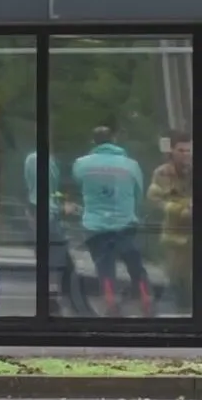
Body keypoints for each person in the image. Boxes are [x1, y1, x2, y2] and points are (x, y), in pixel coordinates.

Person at [73, 126, 151, 316]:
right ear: (114, 139)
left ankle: (109, 298)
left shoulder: (81, 164)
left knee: (104, 265)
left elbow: (79, 187)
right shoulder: (131, 165)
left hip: (95, 224)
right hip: (125, 222)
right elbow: (139, 193)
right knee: (134, 263)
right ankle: (144, 296)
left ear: (94, 141)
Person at [148, 132, 192, 314]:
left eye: (189, 150)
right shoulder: (162, 173)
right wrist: (180, 209)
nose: (186, 154)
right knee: (177, 278)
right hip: (175, 236)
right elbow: (154, 199)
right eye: (181, 150)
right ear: (172, 150)